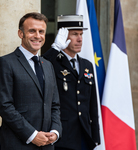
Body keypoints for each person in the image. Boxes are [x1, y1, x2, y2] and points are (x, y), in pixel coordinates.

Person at [0, 12, 62, 150]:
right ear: (20, 33)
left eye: (41, 31)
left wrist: (55, 131)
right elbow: (5, 106)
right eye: (32, 31)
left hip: (47, 145)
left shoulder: (48, 65)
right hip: (17, 144)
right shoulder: (5, 63)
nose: (37, 36)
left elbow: (55, 105)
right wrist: (32, 135)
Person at [43, 15, 100, 150]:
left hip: (85, 134)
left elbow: (92, 103)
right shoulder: (52, 62)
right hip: (63, 135)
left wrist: (95, 136)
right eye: (74, 34)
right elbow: (39, 67)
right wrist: (55, 48)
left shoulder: (87, 65)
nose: (80, 39)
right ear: (63, 36)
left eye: (81, 34)